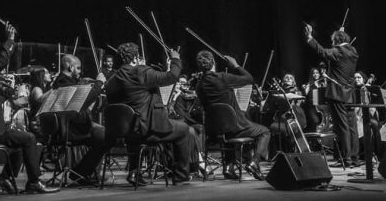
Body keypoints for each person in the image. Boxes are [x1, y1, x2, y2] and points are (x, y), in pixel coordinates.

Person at [0, 23, 58, 194]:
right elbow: (1, 63)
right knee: (29, 138)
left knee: (19, 143)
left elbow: (7, 100)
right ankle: (34, 182)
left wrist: (8, 90)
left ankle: (4, 178)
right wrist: (10, 40)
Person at [104, 42, 193, 184]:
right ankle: (181, 174)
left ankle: (134, 172)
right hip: (147, 129)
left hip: (127, 131)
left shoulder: (112, 80)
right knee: (183, 129)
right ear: (135, 58)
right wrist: (175, 59)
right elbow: (171, 76)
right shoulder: (139, 72)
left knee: (136, 128)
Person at [195, 50, 270, 180]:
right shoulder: (222, 78)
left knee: (227, 129)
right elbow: (249, 79)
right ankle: (254, 162)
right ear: (213, 62)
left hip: (214, 130)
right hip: (235, 127)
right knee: (265, 132)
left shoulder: (199, 85)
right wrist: (235, 65)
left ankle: (228, 168)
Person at [304, 23, 359, 167]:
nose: (332, 42)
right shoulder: (353, 51)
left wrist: (310, 38)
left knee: (342, 127)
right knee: (352, 127)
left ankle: (346, 159)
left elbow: (322, 51)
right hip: (350, 94)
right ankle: (354, 158)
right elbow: (341, 48)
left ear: (337, 41)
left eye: (333, 40)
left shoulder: (338, 51)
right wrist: (340, 37)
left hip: (338, 94)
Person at [50, 54, 108, 184]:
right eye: (78, 68)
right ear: (70, 67)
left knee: (103, 133)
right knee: (106, 136)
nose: (80, 72)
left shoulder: (62, 81)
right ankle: (81, 173)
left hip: (72, 126)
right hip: (70, 129)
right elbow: (82, 100)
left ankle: (83, 172)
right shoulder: (64, 82)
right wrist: (99, 83)